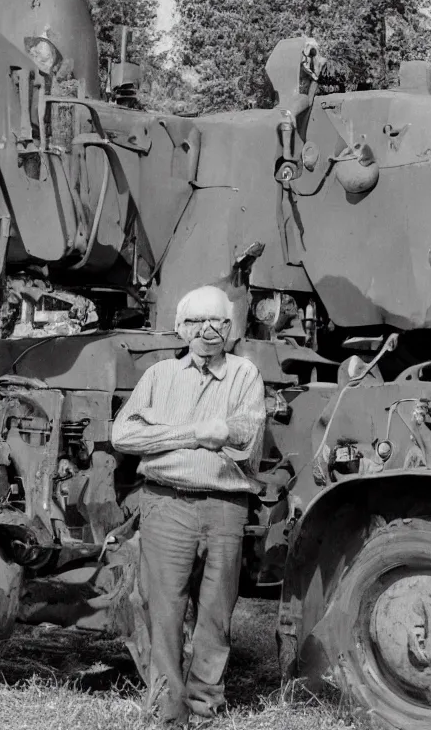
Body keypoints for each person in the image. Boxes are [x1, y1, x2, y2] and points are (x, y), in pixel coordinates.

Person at [111, 285, 265, 726]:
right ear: (181, 329)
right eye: (197, 322)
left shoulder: (244, 375)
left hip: (224, 507)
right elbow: (124, 435)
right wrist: (196, 433)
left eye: (218, 321)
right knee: (164, 611)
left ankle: (205, 706)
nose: (208, 331)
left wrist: (164, 436)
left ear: (230, 328)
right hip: (166, 503)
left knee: (216, 615)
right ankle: (168, 710)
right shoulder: (160, 376)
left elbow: (244, 432)